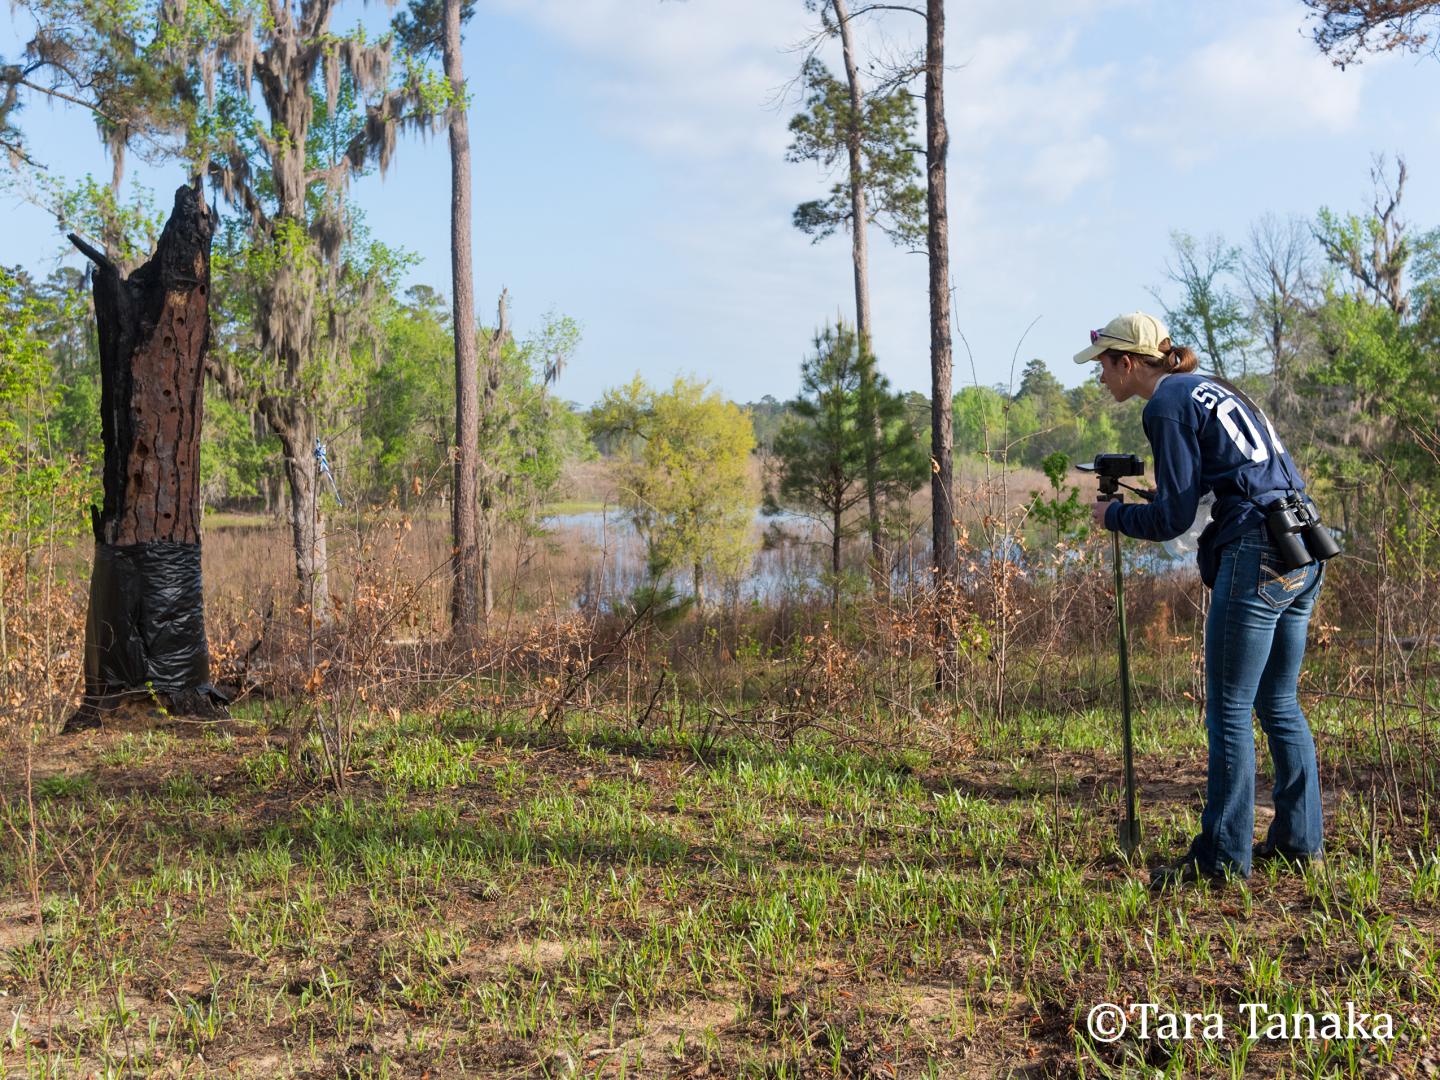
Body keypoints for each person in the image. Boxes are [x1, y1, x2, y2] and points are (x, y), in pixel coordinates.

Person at [1073, 312, 1327, 890]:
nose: (1100, 380)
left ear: (1128, 362)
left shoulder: (1162, 405)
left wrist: (1113, 514)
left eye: (1103, 368)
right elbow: (1237, 477)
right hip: (1302, 545)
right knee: (1279, 703)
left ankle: (1221, 859)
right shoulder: (1212, 388)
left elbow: (1172, 519)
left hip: (1256, 555)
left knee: (1230, 709)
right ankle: (1297, 842)